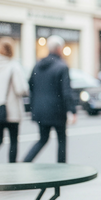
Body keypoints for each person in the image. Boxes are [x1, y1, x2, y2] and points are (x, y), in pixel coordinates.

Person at [23, 35, 77, 163]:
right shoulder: (62, 66)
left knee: (42, 139)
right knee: (61, 141)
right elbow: (66, 91)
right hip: (57, 110)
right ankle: (61, 170)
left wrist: (33, 107)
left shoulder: (37, 65)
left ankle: (25, 162)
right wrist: (72, 111)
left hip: (40, 110)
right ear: (59, 49)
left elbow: (30, 86)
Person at [0, 37, 29, 162]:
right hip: (12, 110)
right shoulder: (13, 66)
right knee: (13, 141)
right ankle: (12, 168)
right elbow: (21, 89)